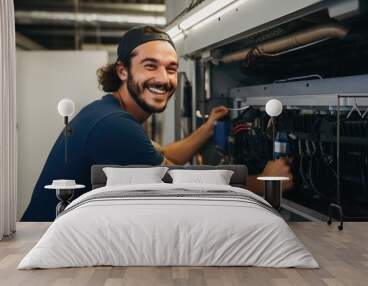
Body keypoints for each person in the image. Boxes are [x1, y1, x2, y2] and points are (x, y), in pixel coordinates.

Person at [21, 26, 292, 222]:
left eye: (171, 68)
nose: (163, 78)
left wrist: (208, 127)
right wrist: (268, 183)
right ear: (122, 70)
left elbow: (165, 157)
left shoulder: (106, 110)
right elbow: (183, 191)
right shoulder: (114, 126)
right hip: (46, 244)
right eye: (150, 66)